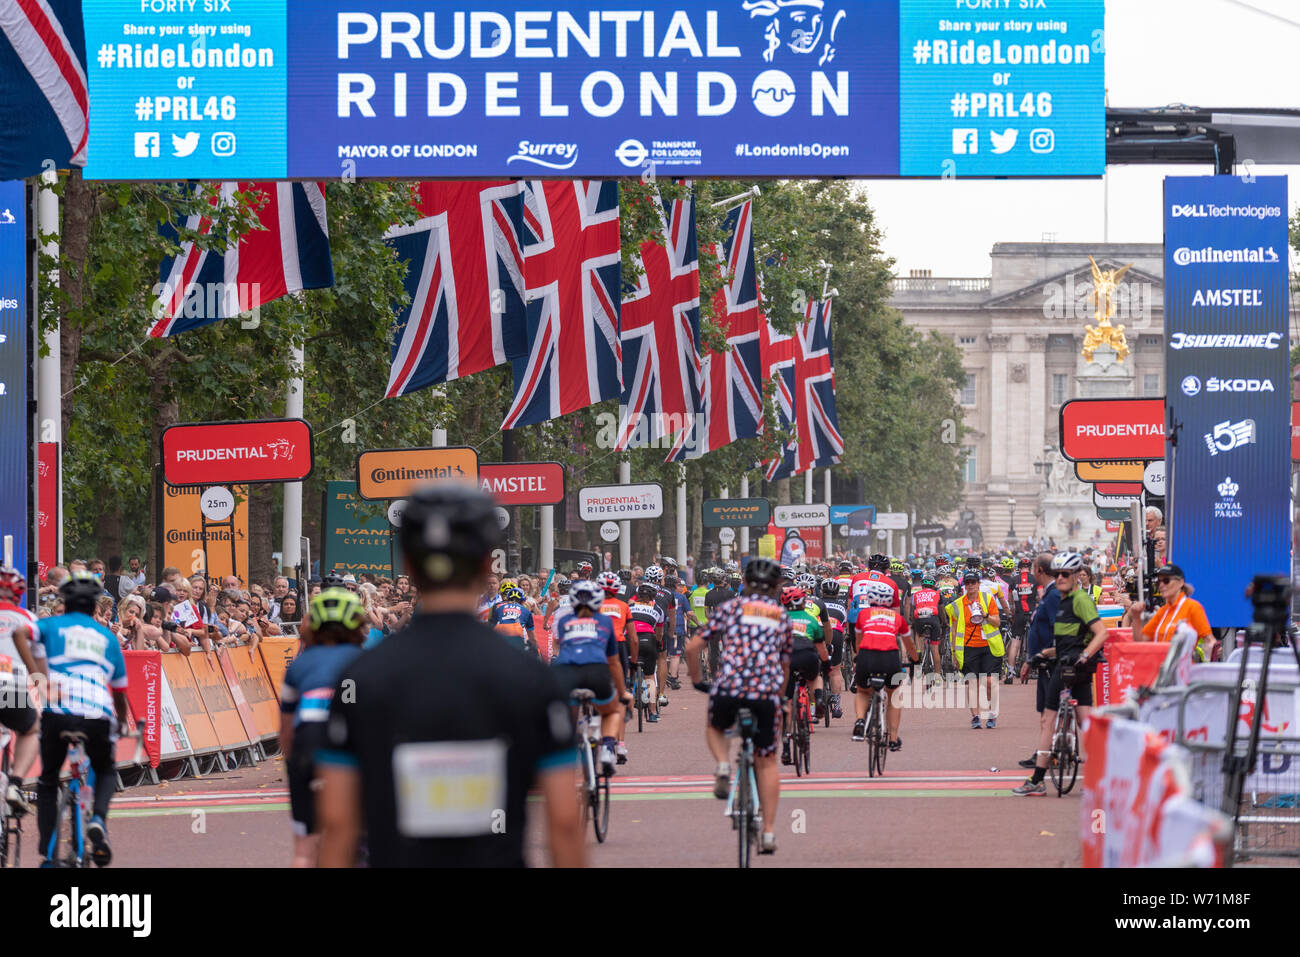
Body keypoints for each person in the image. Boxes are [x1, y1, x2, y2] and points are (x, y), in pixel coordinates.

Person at [315, 482, 583, 867]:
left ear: (408, 564)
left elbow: (338, 825)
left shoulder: (359, 679)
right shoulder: (532, 679)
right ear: (485, 565)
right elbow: (564, 824)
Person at [683, 556, 791, 856]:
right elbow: (784, 664)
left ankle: (721, 764)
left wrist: (697, 680)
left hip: (729, 686)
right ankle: (768, 832)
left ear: (743, 582)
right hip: (765, 691)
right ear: (775, 587)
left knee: (715, 726)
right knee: (767, 761)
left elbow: (694, 646)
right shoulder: (781, 616)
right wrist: (778, 696)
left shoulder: (730, 608)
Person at [34, 571, 130, 866]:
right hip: (96, 713)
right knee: (104, 768)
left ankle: (49, 854)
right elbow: (119, 691)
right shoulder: (107, 637)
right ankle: (98, 819)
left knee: (48, 780)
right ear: (95, 607)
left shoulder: (49, 624)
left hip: (58, 712)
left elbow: (21, 636)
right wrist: (122, 722)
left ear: (65, 601)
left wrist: (36, 671)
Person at [279, 588, 365, 867]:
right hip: (348, 744)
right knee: (352, 836)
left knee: (304, 850)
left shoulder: (300, 665)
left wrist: (295, 768)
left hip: (307, 741)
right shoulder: (366, 661)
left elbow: (286, 733)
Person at [1013, 552, 1108, 796]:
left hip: (1071, 666)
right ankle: (1103, 777)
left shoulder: (1079, 600)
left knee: (1049, 721)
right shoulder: (1063, 599)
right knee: (1084, 721)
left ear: (1076, 576)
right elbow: (1068, 640)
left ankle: (1037, 780)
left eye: (1066, 574)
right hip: (1067, 661)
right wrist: (1044, 653)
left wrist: (1085, 655)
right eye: (1058, 574)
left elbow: (1101, 633)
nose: (1061, 578)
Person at [550, 580, 631, 775]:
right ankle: (607, 748)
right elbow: (613, 662)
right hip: (596, 671)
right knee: (611, 711)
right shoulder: (604, 622)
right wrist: (622, 692)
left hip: (566, 672)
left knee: (567, 717)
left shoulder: (564, 621)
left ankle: (567, 750)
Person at [849, 580, 914, 751]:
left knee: (863, 692)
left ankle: (860, 720)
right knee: (893, 696)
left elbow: (858, 640)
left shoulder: (863, 615)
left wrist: (858, 658)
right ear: (891, 600)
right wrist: (915, 659)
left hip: (866, 655)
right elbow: (908, 643)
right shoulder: (898, 618)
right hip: (889, 657)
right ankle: (892, 738)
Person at [0, 568, 42, 814]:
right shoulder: (27, 618)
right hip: (10, 684)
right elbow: (40, 664)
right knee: (31, 728)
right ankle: (15, 783)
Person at [945, 569, 1003, 730]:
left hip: (989, 647)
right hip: (968, 648)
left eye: (973, 582)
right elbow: (954, 631)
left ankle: (992, 714)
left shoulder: (987, 599)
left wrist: (985, 615)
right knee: (973, 683)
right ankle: (976, 717)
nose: (970, 585)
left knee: (990, 681)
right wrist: (954, 654)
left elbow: (997, 622)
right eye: (967, 583)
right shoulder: (956, 605)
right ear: (964, 586)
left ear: (978, 584)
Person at [1018, 553, 1061, 769]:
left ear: (1040, 571)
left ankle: (1048, 753)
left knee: (1049, 711)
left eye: (1034, 568)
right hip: (1041, 659)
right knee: (1046, 711)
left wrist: (1048, 653)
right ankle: (1047, 750)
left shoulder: (1053, 595)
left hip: (1050, 660)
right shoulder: (1048, 593)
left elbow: (1057, 627)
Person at [1126, 564, 1214, 661]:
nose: (1161, 585)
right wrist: (1136, 617)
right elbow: (1141, 640)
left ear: (1180, 583)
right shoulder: (1163, 611)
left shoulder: (1193, 607)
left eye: (1166, 581)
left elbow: (1210, 641)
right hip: (1161, 671)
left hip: (1182, 672)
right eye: (1158, 582)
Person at [779, 585, 826, 765]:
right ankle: (819, 699)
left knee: (786, 702)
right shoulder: (811, 619)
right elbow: (821, 648)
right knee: (815, 678)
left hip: (787, 659)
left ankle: (785, 747)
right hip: (808, 655)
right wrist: (827, 664)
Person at [629, 582, 665, 723]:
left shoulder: (629, 607)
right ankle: (652, 712)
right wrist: (658, 643)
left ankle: (626, 708)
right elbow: (659, 633)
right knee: (649, 676)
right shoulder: (658, 609)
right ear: (652, 597)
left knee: (628, 671)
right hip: (648, 640)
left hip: (631, 640)